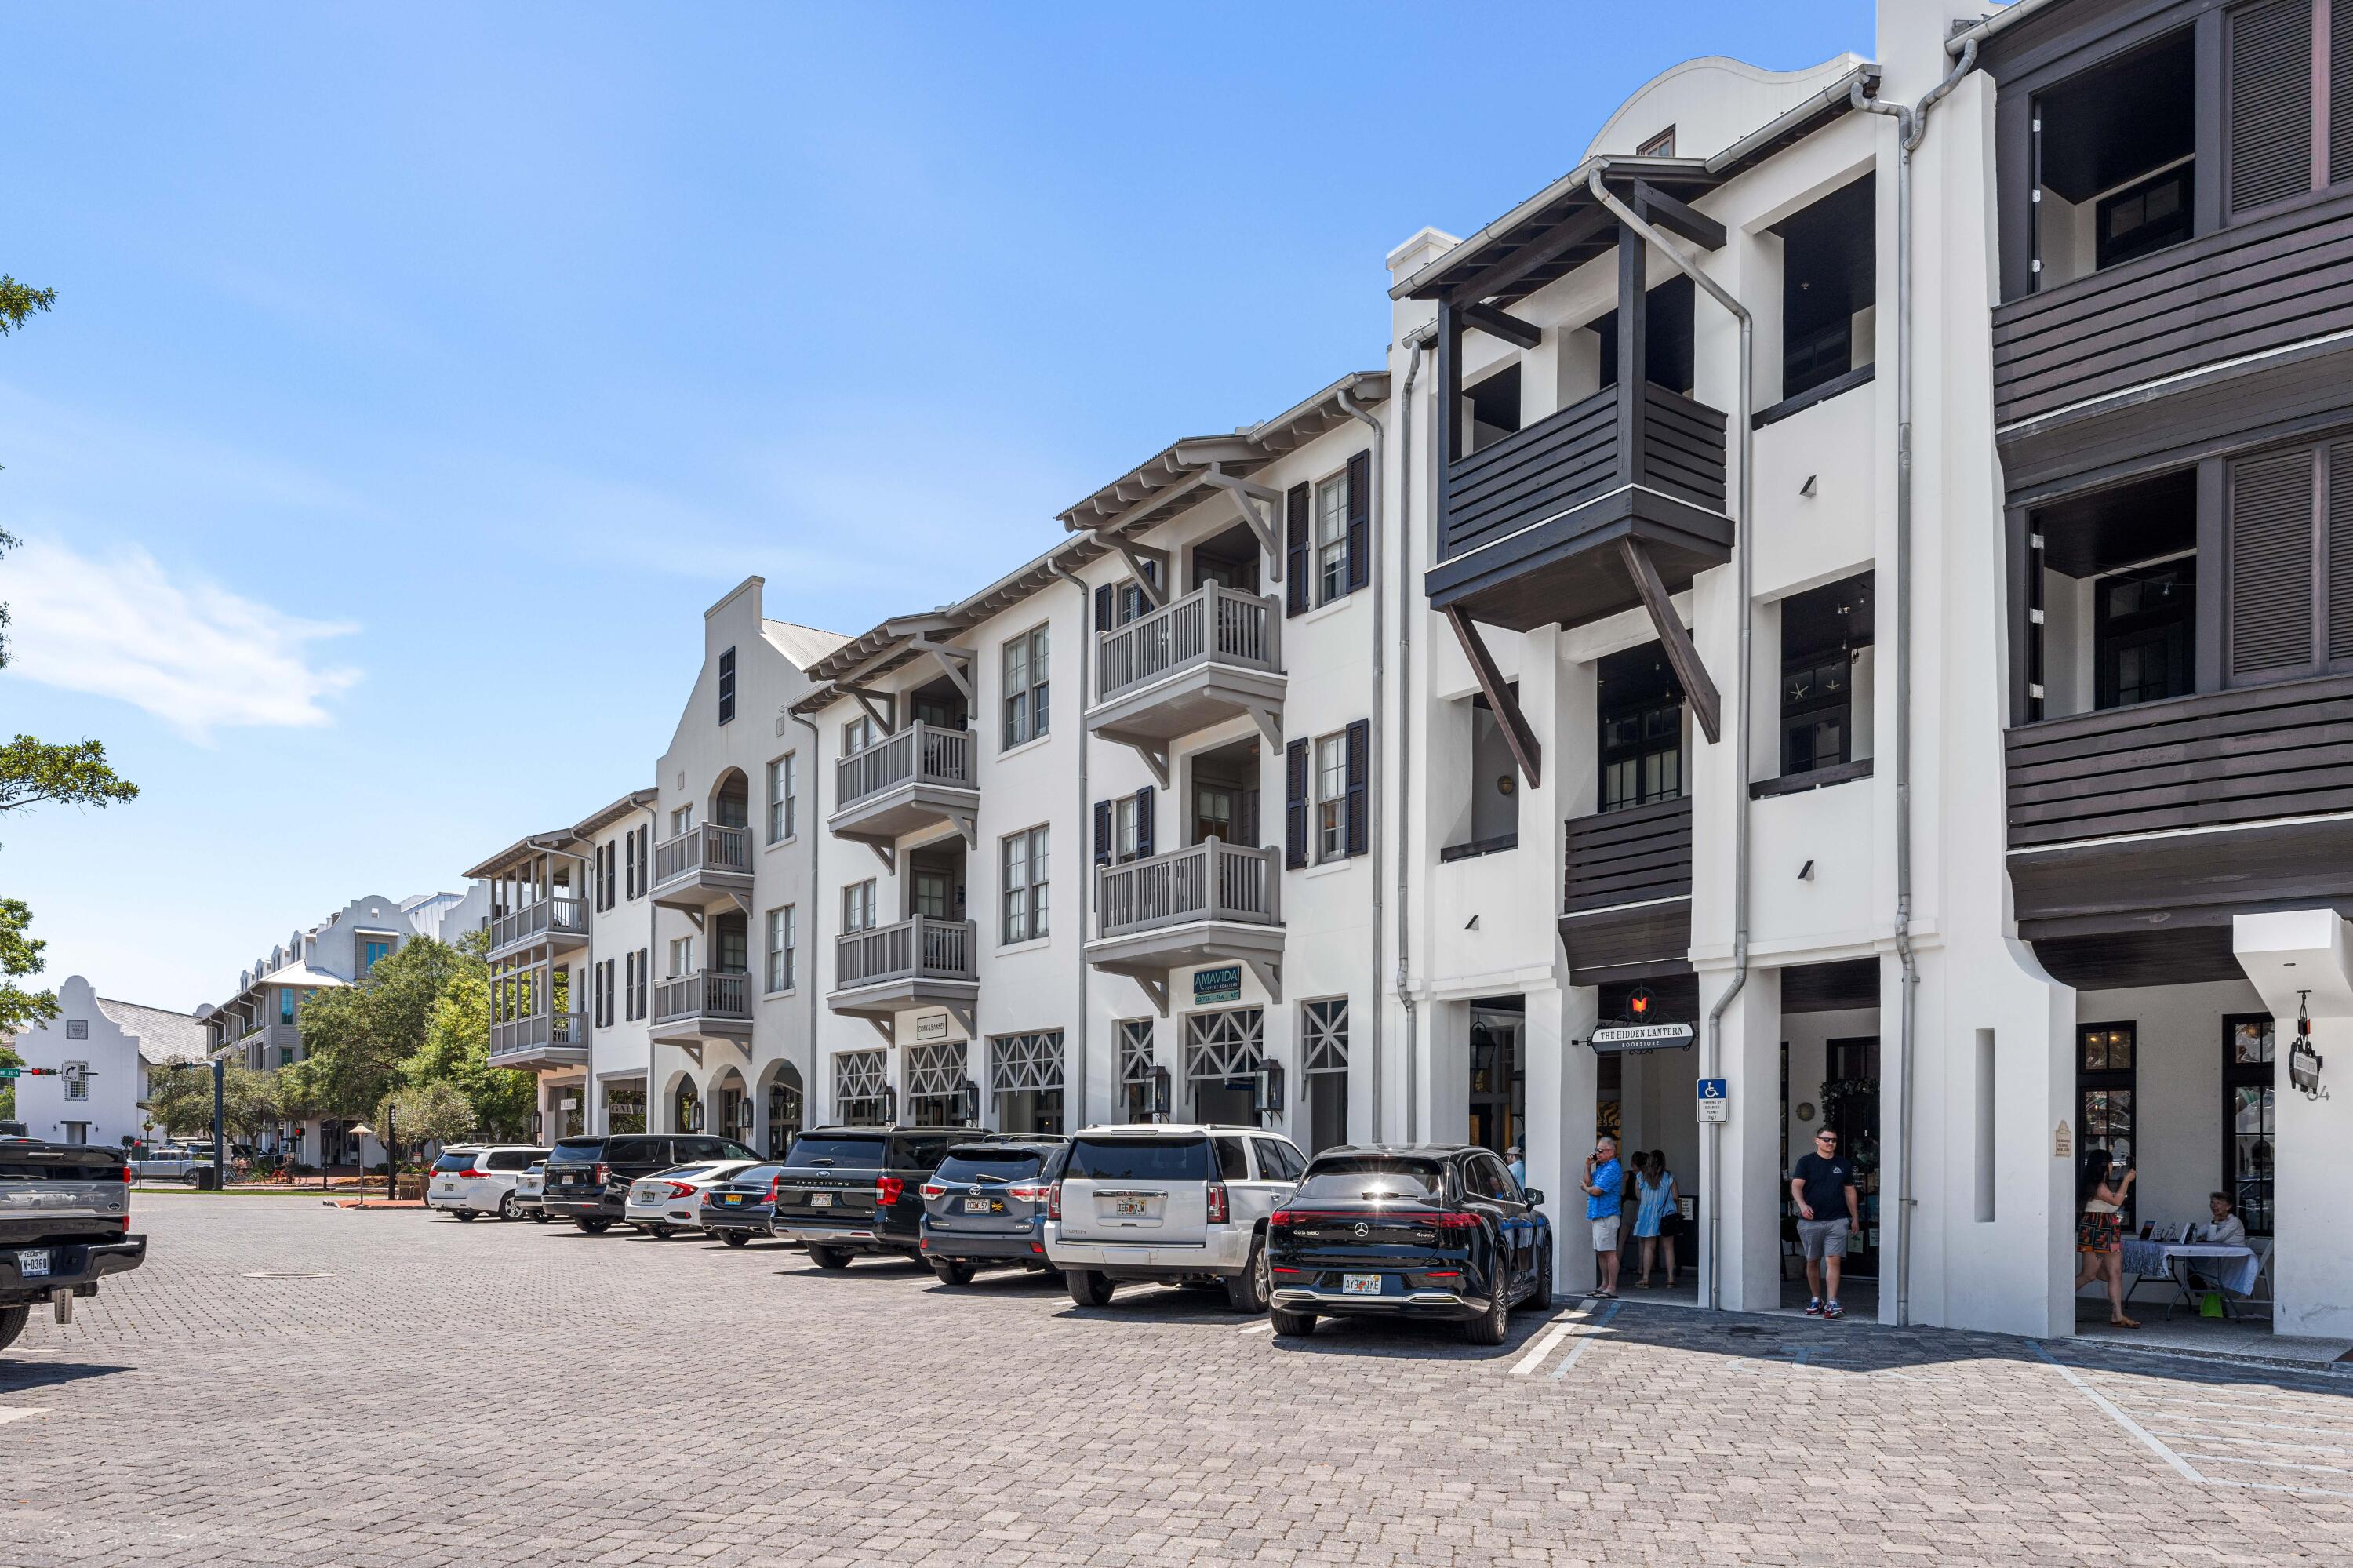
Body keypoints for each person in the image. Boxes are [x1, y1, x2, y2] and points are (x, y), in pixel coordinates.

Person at [1789, 1127, 1862, 1319]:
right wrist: (1802, 1205)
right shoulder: (1806, 1162)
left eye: (1834, 1141)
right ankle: (1816, 1298)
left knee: (1833, 1258)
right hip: (1810, 1221)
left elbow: (1850, 1192)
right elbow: (1796, 1186)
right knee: (1812, 1260)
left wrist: (1854, 1217)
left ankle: (1832, 1302)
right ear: (1817, 1141)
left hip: (1836, 1220)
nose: (1831, 1144)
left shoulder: (1843, 1165)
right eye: (1826, 1140)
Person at [2073, 1146, 2138, 1327]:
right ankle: (2059, 1301)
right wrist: (2127, 1180)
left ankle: (2117, 1314)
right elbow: (2117, 1201)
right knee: (2089, 1275)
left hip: (2108, 1228)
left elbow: (2112, 1206)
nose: (2112, 1166)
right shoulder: (2098, 1186)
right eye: (2110, 1163)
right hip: (2096, 1229)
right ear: (2105, 1165)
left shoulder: (2100, 1185)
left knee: (2115, 1273)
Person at [1578, 1135, 1624, 1298]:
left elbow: (1596, 1191)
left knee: (1609, 1252)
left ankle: (1611, 1287)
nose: (1596, 1153)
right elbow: (1589, 1182)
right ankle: (1604, 1284)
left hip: (1607, 1215)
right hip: (1598, 1214)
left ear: (1610, 1152)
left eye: (1600, 1150)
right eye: (1597, 1150)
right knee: (1601, 1252)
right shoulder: (1603, 1167)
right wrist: (1587, 1166)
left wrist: (1585, 1189)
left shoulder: (1612, 1168)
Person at [1634, 1149, 1679, 1289]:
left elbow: (1638, 1197)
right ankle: (1671, 1278)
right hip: (1667, 1214)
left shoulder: (1641, 1176)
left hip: (1648, 1215)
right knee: (1668, 1247)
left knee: (1649, 1246)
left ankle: (1646, 1278)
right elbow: (1676, 1197)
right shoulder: (1669, 1177)